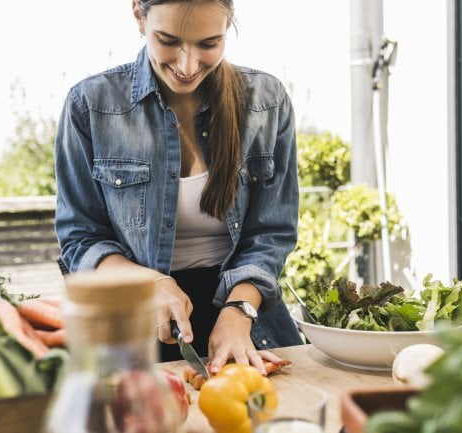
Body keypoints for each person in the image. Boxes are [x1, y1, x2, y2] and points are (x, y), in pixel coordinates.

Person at [54, 0, 303, 375]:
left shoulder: (266, 102)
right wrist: (151, 282)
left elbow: (272, 232)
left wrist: (239, 311)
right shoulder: (90, 105)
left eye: (209, 43)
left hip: (249, 322)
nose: (187, 66)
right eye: (168, 40)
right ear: (139, 15)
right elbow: (80, 238)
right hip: (131, 326)